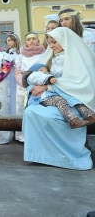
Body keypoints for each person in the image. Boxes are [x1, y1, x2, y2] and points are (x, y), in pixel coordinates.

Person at [23, 27, 95, 170]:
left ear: (64, 41)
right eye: (49, 43)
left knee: (49, 116)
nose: (51, 46)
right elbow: (32, 75)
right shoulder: (51, 58)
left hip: (75, 101)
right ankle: (41, 155)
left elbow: (79, 84)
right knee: (31, 112)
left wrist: (47, 87)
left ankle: (68, 156)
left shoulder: (78, 59)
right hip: (54, 98)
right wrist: (35, 86)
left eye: (54, 42)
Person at [23, 63, 89, 129]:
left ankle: (89, 115)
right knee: (59, 100)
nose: (45, 71)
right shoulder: (34, 76)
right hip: (44, 98)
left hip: (53, 95)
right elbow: (39, 77)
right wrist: (49, 79)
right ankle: (73, 120)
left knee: (73, 99)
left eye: (46, 69)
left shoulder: (48, 75)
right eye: (41, 69)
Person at [13, 32, 45, 142]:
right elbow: (17, 71)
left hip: (37, 86)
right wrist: (24, 82)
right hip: (23, 86)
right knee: (21, 109)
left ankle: (37, 136)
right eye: (28, 39)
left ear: (38, 41)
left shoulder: (43, 54)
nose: (31, 41)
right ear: (25, 42)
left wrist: (37, 82)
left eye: (34, 39)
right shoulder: (21, 56)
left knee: (37, 110)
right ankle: (22, 136)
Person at [4, 31, 21, 115]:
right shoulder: (5, 54)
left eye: (10, 40)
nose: (8, 42)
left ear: (15, 41)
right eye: (7, 41)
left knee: (16, 94)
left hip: (16, 76)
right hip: (8, 76)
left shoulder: (20, 52)